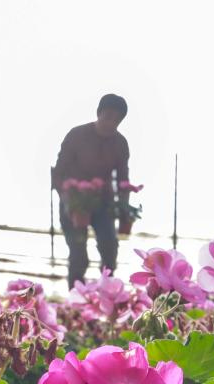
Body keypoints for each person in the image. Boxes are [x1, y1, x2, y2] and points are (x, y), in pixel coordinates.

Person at [52, 94, 131, 286]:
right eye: (108, 116)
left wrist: (124, 211)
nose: (111, 123)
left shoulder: (120, 144)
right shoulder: (76, 135)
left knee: (110, 248)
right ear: (98, 113)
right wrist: (68, 201)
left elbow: (123, 181)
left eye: (116, 120)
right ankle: (76, 297)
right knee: (78, 255)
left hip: (103, 203)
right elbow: (58, 173)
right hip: (73, 202)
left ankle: (108, 293)